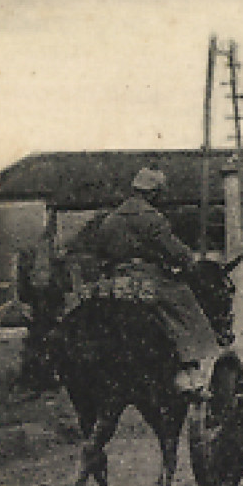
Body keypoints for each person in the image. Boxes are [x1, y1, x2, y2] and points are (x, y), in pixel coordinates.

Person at [92, 167, 222, 394]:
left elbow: (100, 254)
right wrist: (189, 262)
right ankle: (192, 370)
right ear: (153, 193)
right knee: (185, 304)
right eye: (160, 194)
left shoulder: (110, 219)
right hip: (147, 278)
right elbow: (175, 251)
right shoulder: (151, 218)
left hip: (116, 279)